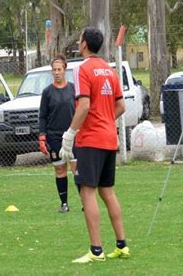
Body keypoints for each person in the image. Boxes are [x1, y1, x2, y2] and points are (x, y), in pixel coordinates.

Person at [59, 27, 130, 263]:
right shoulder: (109, 70)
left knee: (87, 192)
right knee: (107, 191)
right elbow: (121, 106)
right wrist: (105, 121)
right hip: (110, 138)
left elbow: (84, 106)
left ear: (84, 44)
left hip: (91, 141)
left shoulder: (83, 69)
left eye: (79, 40)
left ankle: (96, 251)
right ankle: (122, 245)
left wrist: (70, 134)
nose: (78, 43)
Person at [39, 54, 79, 213]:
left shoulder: (73, 89)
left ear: (65, 70)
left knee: (77, 169)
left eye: (59, 69)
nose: (56, 72)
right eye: (54, 70)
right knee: (60, 169)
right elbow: (42, 116)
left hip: (73, 136)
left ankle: (86, 202)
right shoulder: (47, 92)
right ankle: (64, 204)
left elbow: (81, 110)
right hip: (55, 137)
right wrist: (42, 136)